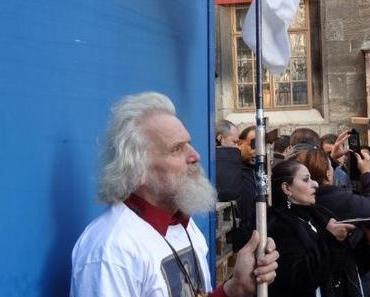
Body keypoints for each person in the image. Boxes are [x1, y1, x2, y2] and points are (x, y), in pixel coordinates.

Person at [69, 92, 279, 297]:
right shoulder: (111, 251)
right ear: (137, 169)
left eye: (189, 143)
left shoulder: (183, 224)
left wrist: (234, 288)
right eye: (176, 149)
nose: (195, 155)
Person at [268, 160, 362, 297]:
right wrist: (331, 239)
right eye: (306, 180)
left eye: (311, 178)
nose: (315, 184)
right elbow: (300, 277)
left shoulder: (318, 215)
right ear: (287, 188)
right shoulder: (278, 225)